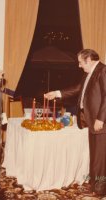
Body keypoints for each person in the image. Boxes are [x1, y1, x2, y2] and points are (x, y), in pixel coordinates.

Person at [44, 49, 106, 195]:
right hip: (93, 121)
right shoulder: (89, 74)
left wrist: (100, 118)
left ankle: (100, 189)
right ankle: (94, 185)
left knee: (100, 158)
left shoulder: (103, 71)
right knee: (95, 155)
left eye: (80, 62)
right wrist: (57, 93)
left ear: (89, 60)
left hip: (100, 122)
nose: (79, 66)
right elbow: (78, 89)